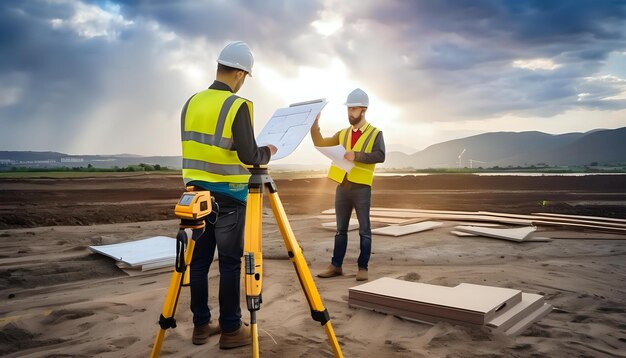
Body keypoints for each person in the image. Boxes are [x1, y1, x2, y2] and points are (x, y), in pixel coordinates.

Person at [180, 41, 277, 349]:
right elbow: (251, 156)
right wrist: (269, 151)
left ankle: (200, 326)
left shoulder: (191, 102)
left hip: (195, 198)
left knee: (198, 263)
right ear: (240, 74)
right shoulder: (237, 106)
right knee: (231, 264)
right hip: (230, 198)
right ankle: (232, 330)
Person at [311, 88, 385, 281]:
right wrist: (314, 125)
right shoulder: (342, 134)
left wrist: (357, 156)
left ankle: (363, 268)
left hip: (361, 187)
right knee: (340, 230)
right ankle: (336, 266)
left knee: (364, 230)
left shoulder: (375, 133)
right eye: (348, 109)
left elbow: (380, 155)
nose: (350, 112)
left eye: (353, 109)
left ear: (364, 110)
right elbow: (320, 142)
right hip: (342, 187)